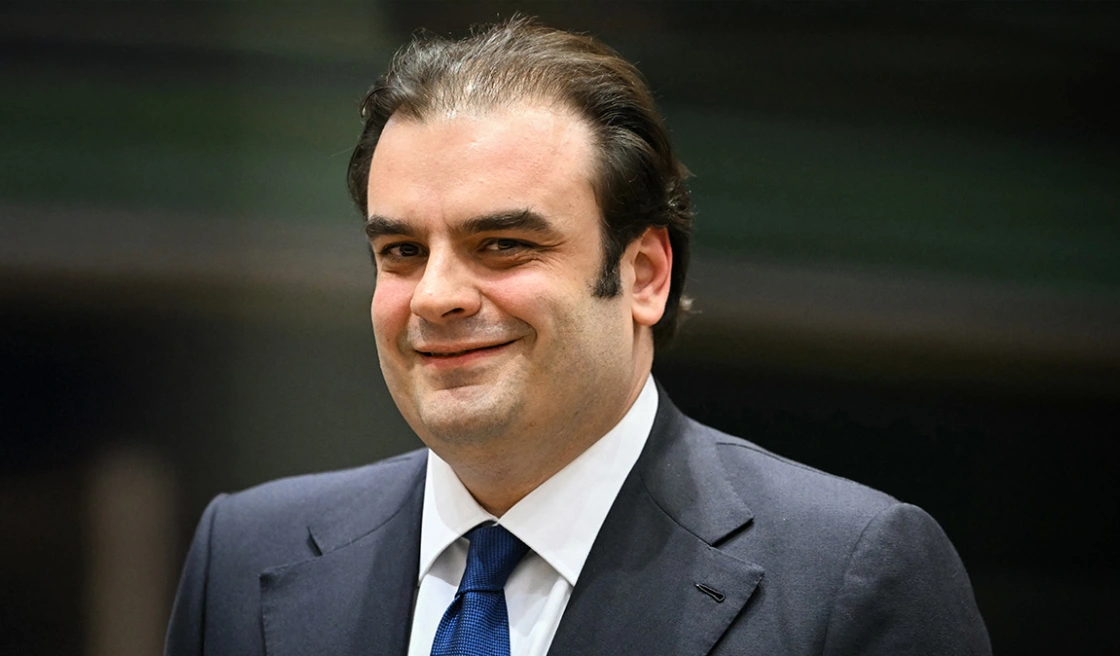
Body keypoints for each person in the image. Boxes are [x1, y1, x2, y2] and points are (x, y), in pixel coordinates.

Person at [165, 16, 991, 656]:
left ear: (645, 275)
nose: (438, 296)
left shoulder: (847, 576)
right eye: (403, 252)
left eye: (504, 245)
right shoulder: (246, 553)